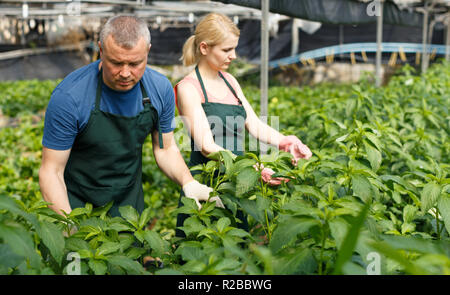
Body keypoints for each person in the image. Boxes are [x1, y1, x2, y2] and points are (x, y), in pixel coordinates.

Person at [39, 15, 222, 218]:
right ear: (100, 50)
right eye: (116, 63)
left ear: (148, 51)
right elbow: (51, 171)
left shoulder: (160, 90)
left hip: (127, 208)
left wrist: (189, 182)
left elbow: (166, 148)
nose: (125, 73)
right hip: (74, 202)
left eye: (135, 63)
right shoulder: (70, 97)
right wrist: (67, 225)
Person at [174, 13, 312, 237]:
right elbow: (207, 147)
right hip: (207, 184)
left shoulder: (230, 82)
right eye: (227, 50)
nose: (234, 56)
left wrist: (285, 142)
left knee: (236, 251)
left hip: (236, 184)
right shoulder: (188, 88)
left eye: (234, 49)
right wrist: (253, 168)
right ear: (204, 47)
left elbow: (254, 124)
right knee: (203, 254)